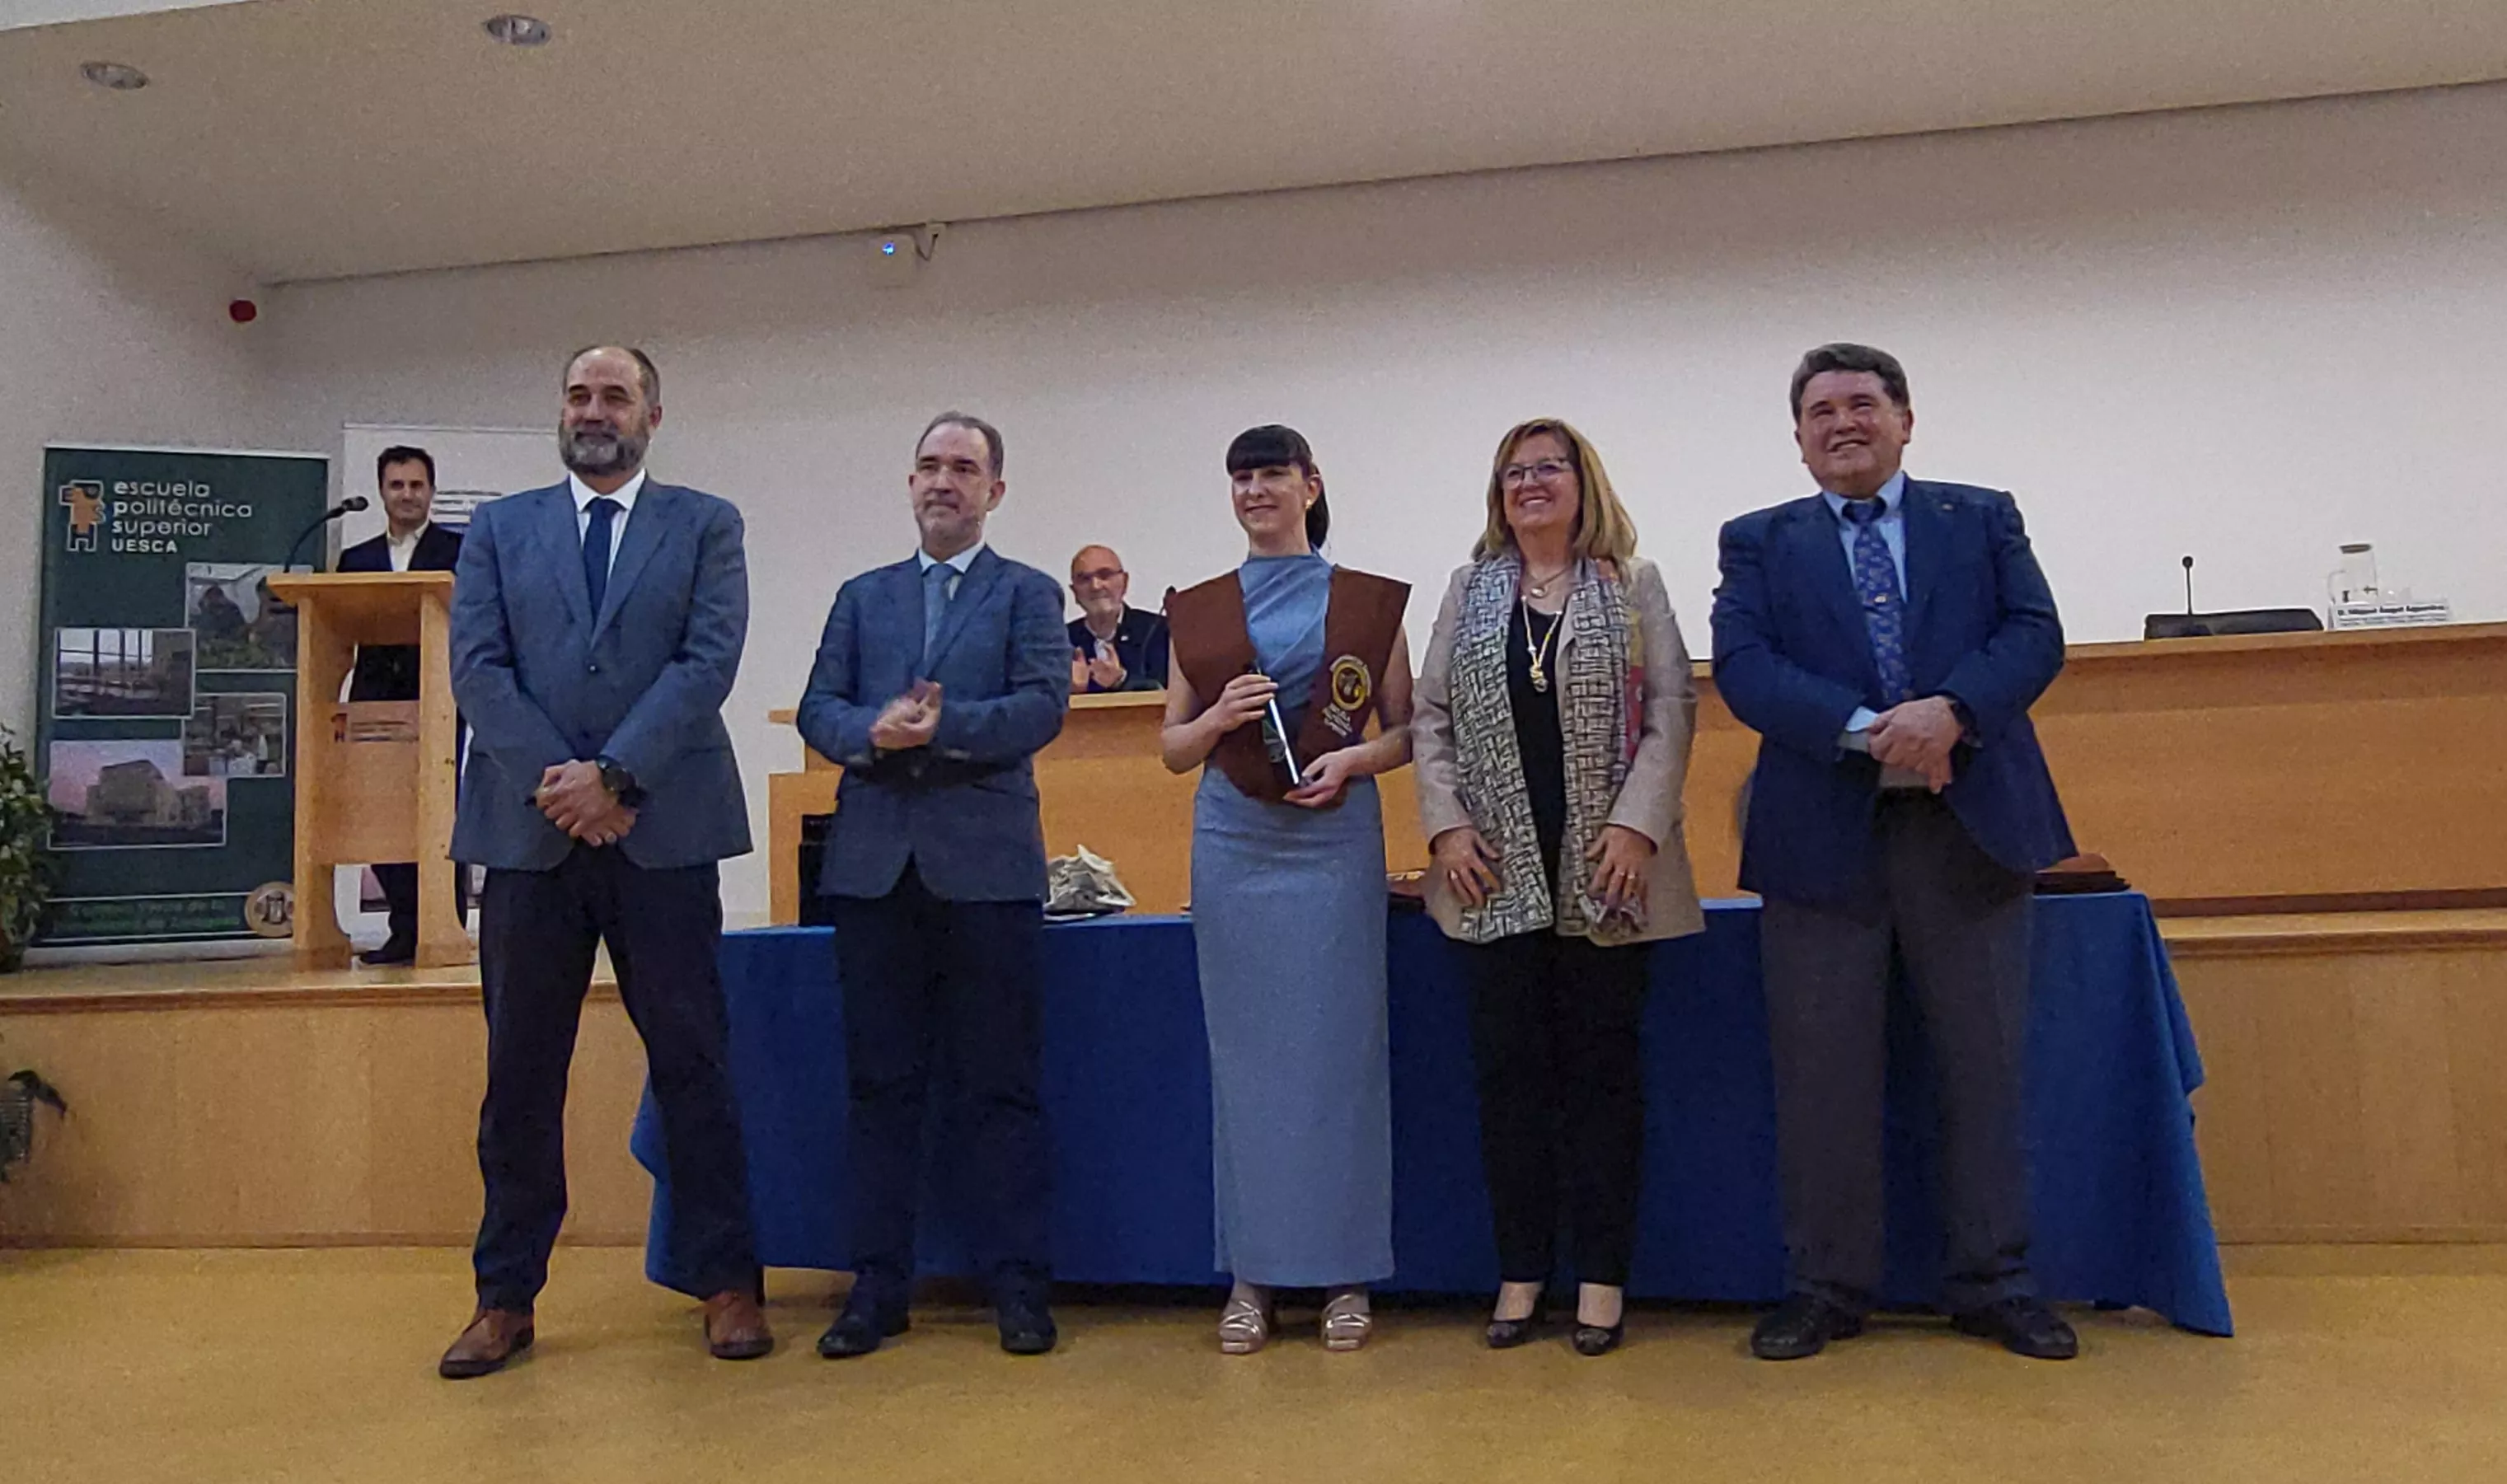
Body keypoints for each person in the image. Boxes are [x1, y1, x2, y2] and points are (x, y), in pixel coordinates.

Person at [1711, 343, 2078, 1362]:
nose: (1843, 423)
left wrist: (1951, 711)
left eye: (1863, 404)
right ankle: (1826, 1288)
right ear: (1798, 439)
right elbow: (1744, 667)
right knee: (1822, 1077)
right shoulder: (1758, 541)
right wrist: (1868, 729)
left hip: (1971, 827)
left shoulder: (1983, 517)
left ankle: (1996, 1285)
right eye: (1821, 411)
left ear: (1906, 421)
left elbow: (2034, 634)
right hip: (1821, 839)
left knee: (1984, 1068)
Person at [438, 345, 768, 1377]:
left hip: (661, 832)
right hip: (529, 839)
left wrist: (616, 778)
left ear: (652, 416)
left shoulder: (706, 523)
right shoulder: (498, 529)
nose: (594, 410)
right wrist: (564, 785)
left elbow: (707, 661)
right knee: (519, 1075)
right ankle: (504, 1297)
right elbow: (477, 667)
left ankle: (728, 1282)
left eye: (615, 396)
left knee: (694, 1063)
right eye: (579, 395)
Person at [1412, 418, 1703, 1358]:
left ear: (1585, 483)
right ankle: (1522, 1270)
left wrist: (1637, 825)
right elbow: (1428, 717)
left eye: (1549, 468)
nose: (1530, 483)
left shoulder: (1634, 583)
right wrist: (1446, 825)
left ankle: (1603, 1277)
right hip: (1492, 875)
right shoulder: (1469, 589)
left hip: (1610, 873)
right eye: (1514, 472)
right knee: (1510, 1085)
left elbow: (1671, 709)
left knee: (1603, 1082)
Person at [796, 411, 1071, 1360]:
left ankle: (1020, 1287)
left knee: (1002, 1088)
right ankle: (877, 1289)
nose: (943, 481)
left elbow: (1042, 707)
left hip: (987, 871)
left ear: (995, 490)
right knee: (880, 1089)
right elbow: (819, 707)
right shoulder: (860, 596)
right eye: (928, 465)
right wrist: (871, 733)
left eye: (963, 467)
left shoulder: (1028, 592)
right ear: (909, 484)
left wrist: (942, 729)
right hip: (874, 872)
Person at [1160, 425, 1412, 1355]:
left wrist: (1352, 760)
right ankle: (1252, 1275)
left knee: (1343, 1056)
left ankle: (1347, 1272)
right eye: (1242, 477)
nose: (1256, 490)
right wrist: (1218, 717)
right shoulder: (1199, 610)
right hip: (1236, 845)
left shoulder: (1366, 602)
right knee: (1246, 1065)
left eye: (1273, 473)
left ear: (1311, 484)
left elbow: (1409, 730)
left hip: (1333, 842)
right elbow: (1172, 747)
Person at [340, 444, 466, 967]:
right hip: (375, 701)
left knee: (440, 813)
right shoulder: (356, 560)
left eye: (417, 485)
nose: (407, 495)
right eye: (397, 485)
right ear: (382, 491)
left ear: (431, 491)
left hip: (439, 697)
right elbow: (341, 625)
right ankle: (403, 929)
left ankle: (443, 929)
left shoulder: (461, 552)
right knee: (381, 813)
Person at [1066, 545, 1169, 692]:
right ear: (1074, 591)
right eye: (1084, 579)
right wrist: (1065, 689)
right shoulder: (1061, 640)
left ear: (1125, 582)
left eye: (1105, 575)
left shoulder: (1159, 630)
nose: (1095, 586)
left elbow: (1174, 695)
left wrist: (1123, 681)